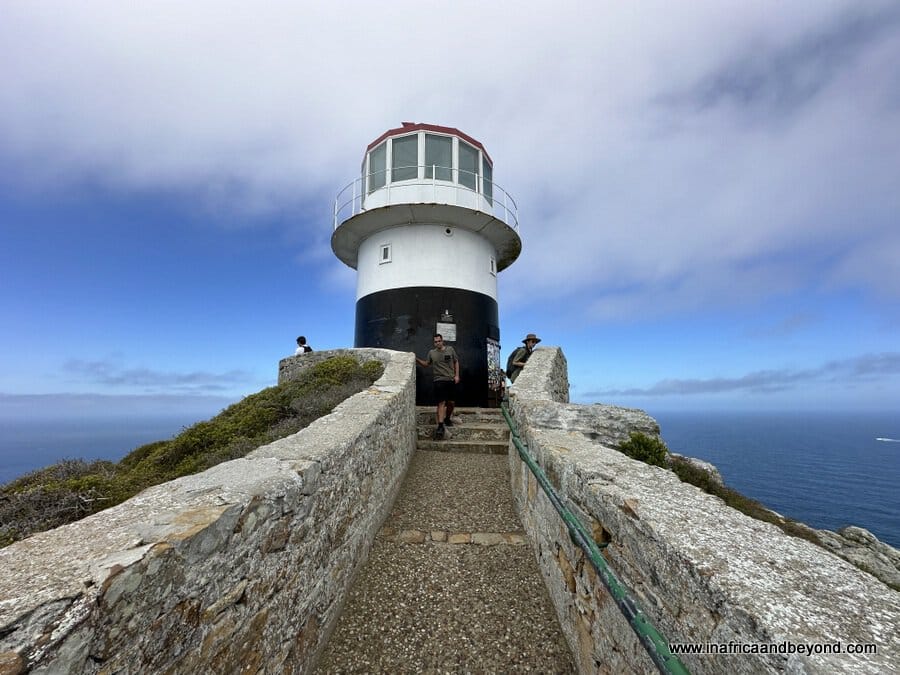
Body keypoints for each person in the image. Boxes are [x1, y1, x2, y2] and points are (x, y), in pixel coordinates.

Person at [415, 333, 460, 439]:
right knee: (441, 403)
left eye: (439, 341)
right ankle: (440, 426)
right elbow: (426, 364)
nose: (437, 343)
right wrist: (416, 359)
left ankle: (448, 418)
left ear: (442, 341)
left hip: (450, 379)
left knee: (451, 403)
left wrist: (457, 375)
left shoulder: (450, 349)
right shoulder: (431, 353)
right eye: (435, 342)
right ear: (434, 343)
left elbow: (456, 362)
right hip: (438, 380)